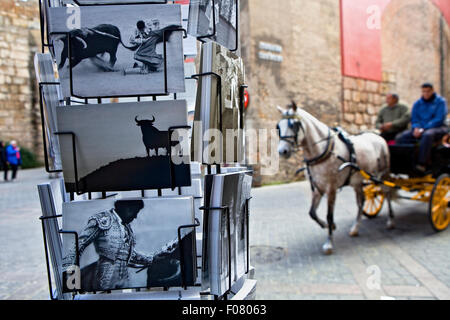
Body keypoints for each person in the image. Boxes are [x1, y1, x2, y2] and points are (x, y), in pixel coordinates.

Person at [62, 200, 164, 291]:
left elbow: (127, 255)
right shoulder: (102, 219)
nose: (135, 216)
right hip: (104, 279)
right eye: (135, 211)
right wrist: (71, 281)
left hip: (124, 279)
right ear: (127, 208)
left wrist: (152, 258)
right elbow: (77, 247)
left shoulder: (126, 227)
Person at [396, 83, 448, 172]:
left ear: (432, 91)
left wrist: (423, 129)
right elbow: (414, 118)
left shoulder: (440, 102)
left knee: (427, 135)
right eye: (424, 91)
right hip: (419, 128)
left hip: (437, 128)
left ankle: (422, 163)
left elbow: (439, 119)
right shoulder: (417, 103)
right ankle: (406, 162)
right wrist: (416, 127)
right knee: (401, 137)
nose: (426, 94)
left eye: (428, 91)